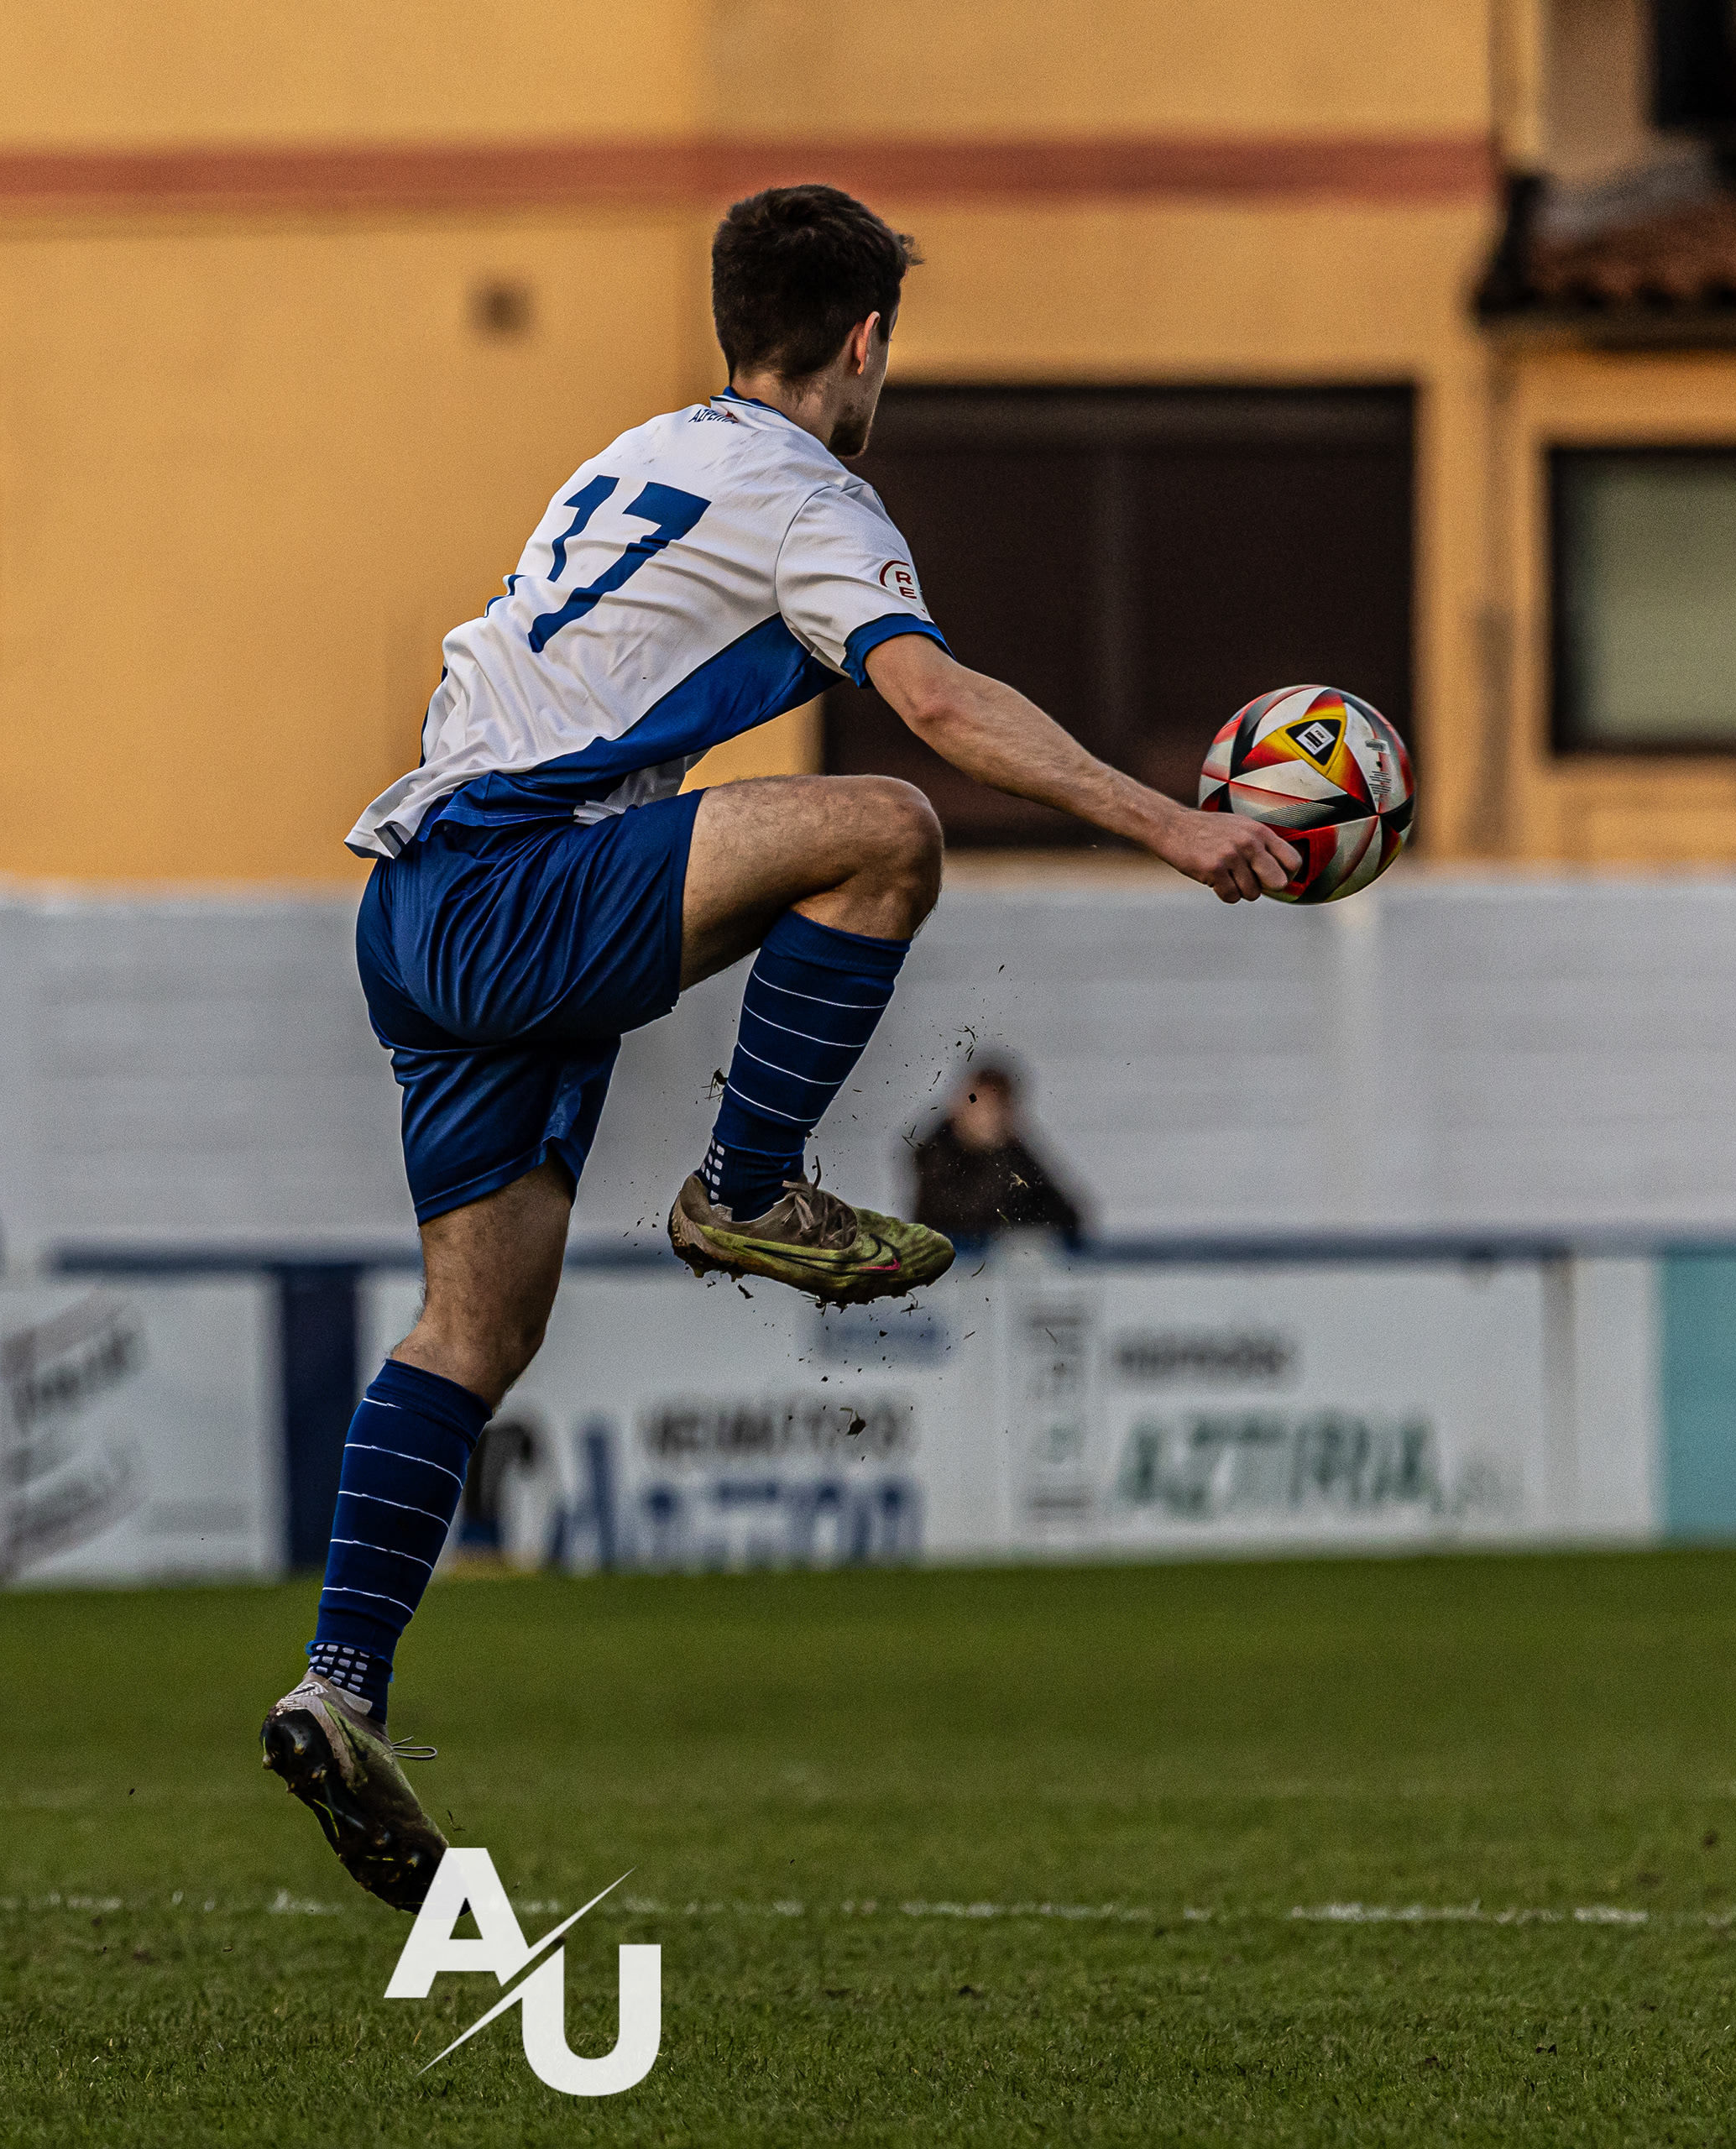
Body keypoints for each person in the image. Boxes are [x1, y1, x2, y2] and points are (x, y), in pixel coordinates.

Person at [261, 183, 1297, 1911]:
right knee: (888, 830)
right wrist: (1173, 825)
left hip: (417, 905)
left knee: (474, 1329)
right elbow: (937, 706)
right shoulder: (812, 495)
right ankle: (747, 1186)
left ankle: (338, 1685)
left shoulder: (638, 452)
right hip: (520, 882)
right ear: (867, 341)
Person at [908, 1057, 1085, 1247]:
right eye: (982, 1107)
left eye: (997, 1109)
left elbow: (1066, 1214)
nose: (989, 1118)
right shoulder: (937, 1155)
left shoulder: (1015, 1155)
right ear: (962, 1107)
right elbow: (965, 1215)